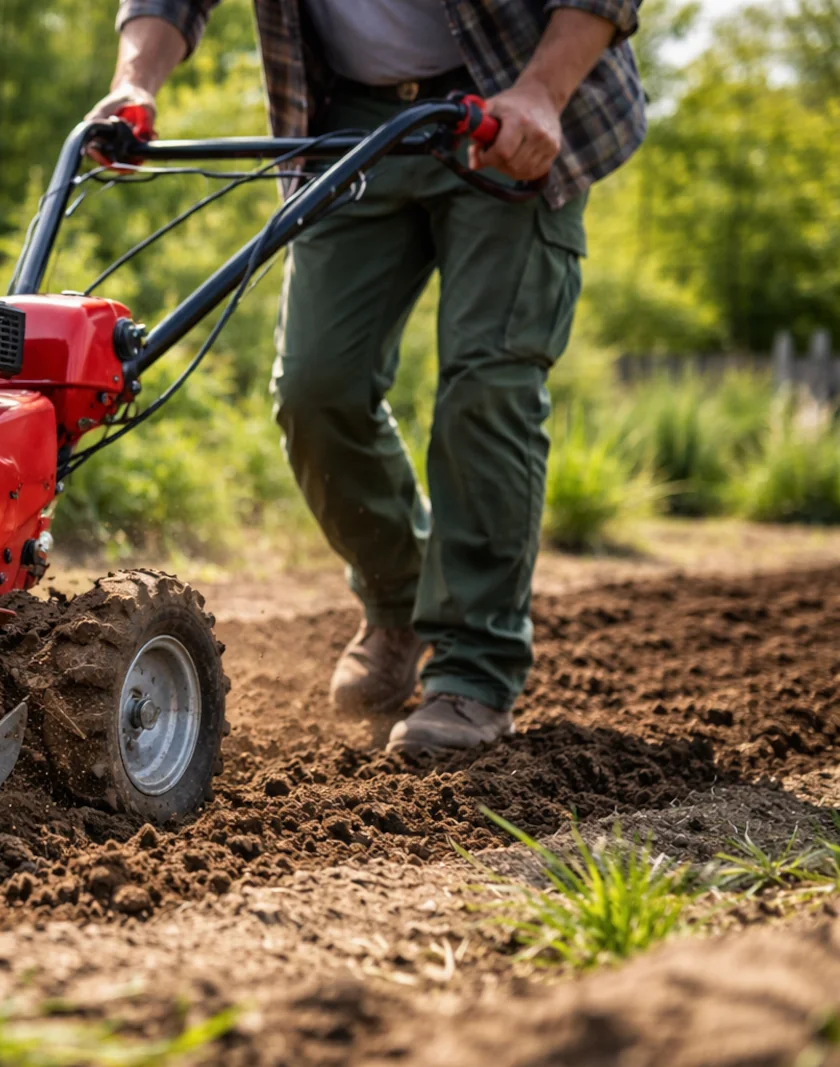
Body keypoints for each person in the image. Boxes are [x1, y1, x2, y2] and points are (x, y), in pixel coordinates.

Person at [85, 1, 645, 754]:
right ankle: (399, 600)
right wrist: (135, 83)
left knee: (488, 383)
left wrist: (544, 88)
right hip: (345, 114)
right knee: (316, 387)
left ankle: (475, 667)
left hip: (511, 96)